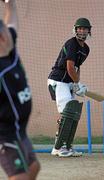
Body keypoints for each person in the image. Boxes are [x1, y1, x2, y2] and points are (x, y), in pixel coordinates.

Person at [0, 0, 40, 179]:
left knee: (34, 167)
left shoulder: (10, 51)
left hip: (19, 131)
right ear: (2, 38)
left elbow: (12, 20)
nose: (9, 29)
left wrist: (10, 3)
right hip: (5, 135)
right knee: (20, 177)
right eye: (5, 29)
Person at [48, 17, 92, 157]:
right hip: (58, 80)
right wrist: (77, 84)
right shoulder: (71, 43)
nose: (81, 31)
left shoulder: (86, 49)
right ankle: (57, 148)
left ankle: (67, 146)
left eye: (84, 28)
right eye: (79, 28)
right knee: (67, 112)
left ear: (88, 31)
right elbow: (69, 66)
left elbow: (77, 68)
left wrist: (75, 84)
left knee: (73, 114)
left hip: (67, 83)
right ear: (75, 29)